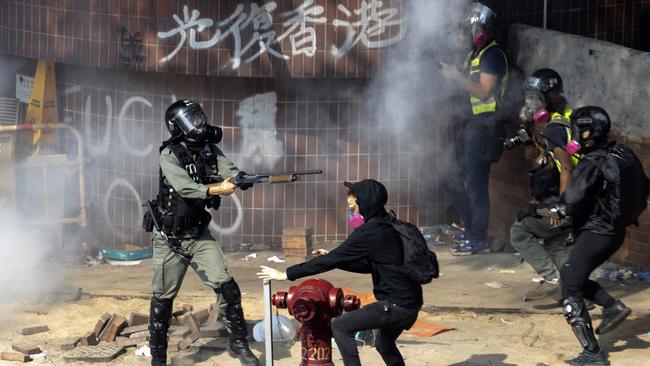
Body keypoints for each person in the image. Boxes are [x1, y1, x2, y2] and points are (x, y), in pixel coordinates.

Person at [257, 179, 423, 366]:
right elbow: (368, 265)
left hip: (396, 306)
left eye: (354, 199)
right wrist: (336, 258)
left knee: (340, 326)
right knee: (384, 344)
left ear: (364, 201)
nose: (351, 204)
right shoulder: (388, 225)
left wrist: (286, 274)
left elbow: (330, 261)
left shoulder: (371, 232)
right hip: (411, 302)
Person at [146, 100, 258, 366]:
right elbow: (185, 187)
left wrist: (240, 178)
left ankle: (239, 344)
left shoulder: (209, 148)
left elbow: (226, 168)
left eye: (198, 118)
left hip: (198, 234)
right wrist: (214, 190)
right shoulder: (169, 154)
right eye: (190, 121)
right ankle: (158, 358)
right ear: (177, 128)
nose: (198, 124)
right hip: (170, 238)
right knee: (162, 300)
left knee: (227, 288)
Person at [543, 106, 649, 365]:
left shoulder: (592, 163)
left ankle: (592, 353)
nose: (575, 137)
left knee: (570, 286)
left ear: (589, 131)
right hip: (614, 231)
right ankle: (612, 306)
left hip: (597, 232)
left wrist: (532, 210)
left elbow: (568, 204)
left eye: (578, 131)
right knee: (571, 274)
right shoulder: (624, 153)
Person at [440, 1, 509, 255]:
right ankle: (471, 230)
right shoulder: (474, 55)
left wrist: (456, 75)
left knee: (476, 183)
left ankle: (478, 238)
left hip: (485, 127)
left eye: (473, 28)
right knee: (450, 177)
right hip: (468, 125)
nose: (467, 33)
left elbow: (483, 91)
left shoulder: (492, 55)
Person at [509, 69, 579, 301]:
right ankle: (575, 292)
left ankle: (551, 278)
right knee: (556, 244)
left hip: (566, 196)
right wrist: (528, 131)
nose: (530, 103)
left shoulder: (557, 125)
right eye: (528, 97)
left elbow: (566, 168)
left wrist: (562, 206)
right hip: (561, 194)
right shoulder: (548, 124)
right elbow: (535, 159)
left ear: (549, 99)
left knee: (519, 231)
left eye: (536, 98)